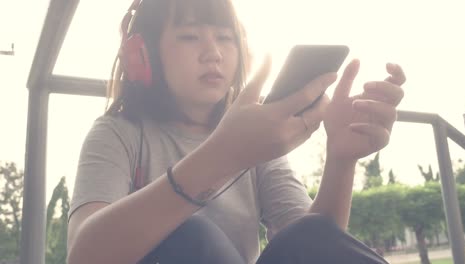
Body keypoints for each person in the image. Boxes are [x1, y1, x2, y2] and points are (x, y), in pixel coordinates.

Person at [66, 0, 406, 263]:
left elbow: (311, 246)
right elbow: (84, 254)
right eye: (189, 36)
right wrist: (224, 155)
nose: (213, 53)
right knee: (190, 235)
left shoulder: (255, 140)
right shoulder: (117, 134)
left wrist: (341, 159)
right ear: (144, 54)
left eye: (225, 38)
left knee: (310, 231)